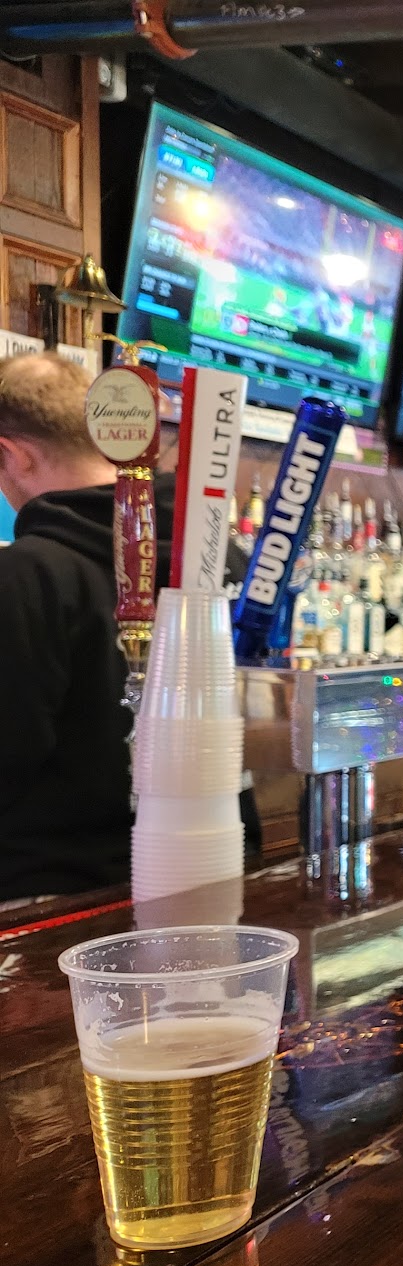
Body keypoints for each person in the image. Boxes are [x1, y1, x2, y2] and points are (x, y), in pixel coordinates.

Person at [0, 354, 168, 902]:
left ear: (12, 455)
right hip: (203, 888)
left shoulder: (27, 573)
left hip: (53, 907)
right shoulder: (213, 555)